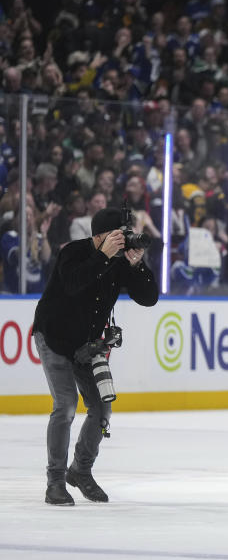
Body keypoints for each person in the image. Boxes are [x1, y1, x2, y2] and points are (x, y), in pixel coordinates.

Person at [32, 207, 158, 505]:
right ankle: (55, 481)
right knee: (65, 406)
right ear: (100, 236)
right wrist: (102, 256)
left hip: (87, 345)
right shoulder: (73, 253)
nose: (124, 240)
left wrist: (138, 265)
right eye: (118, 235)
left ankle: (81, 471)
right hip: (55, 337)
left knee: (102, 410)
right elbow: (74, 283)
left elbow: (149, 298)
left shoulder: (119, 262)